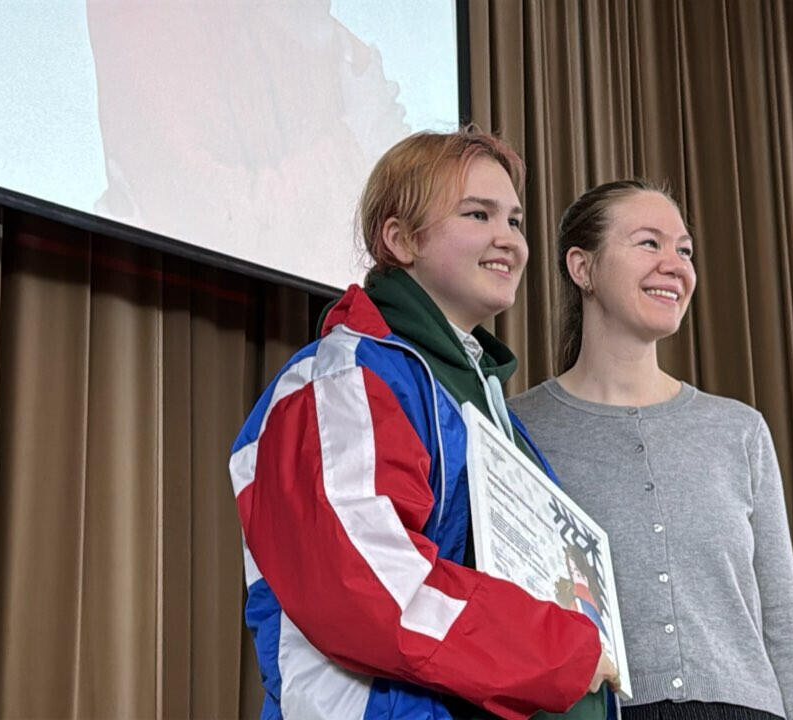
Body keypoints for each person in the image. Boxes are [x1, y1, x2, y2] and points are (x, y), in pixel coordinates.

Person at [229, 128, 617, 720]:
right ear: (401, 239)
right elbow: (372, 587)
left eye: (515, 220)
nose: (509, 239)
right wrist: (558, 651)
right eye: (478, 214)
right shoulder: (344, 380)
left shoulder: (485, 404)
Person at [510, 180, 793, 720]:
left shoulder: (739, 431)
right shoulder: (520, 428)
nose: (675, 265)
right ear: (582, 268)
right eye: (649, 243)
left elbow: (784, 621)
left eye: (684, 250)